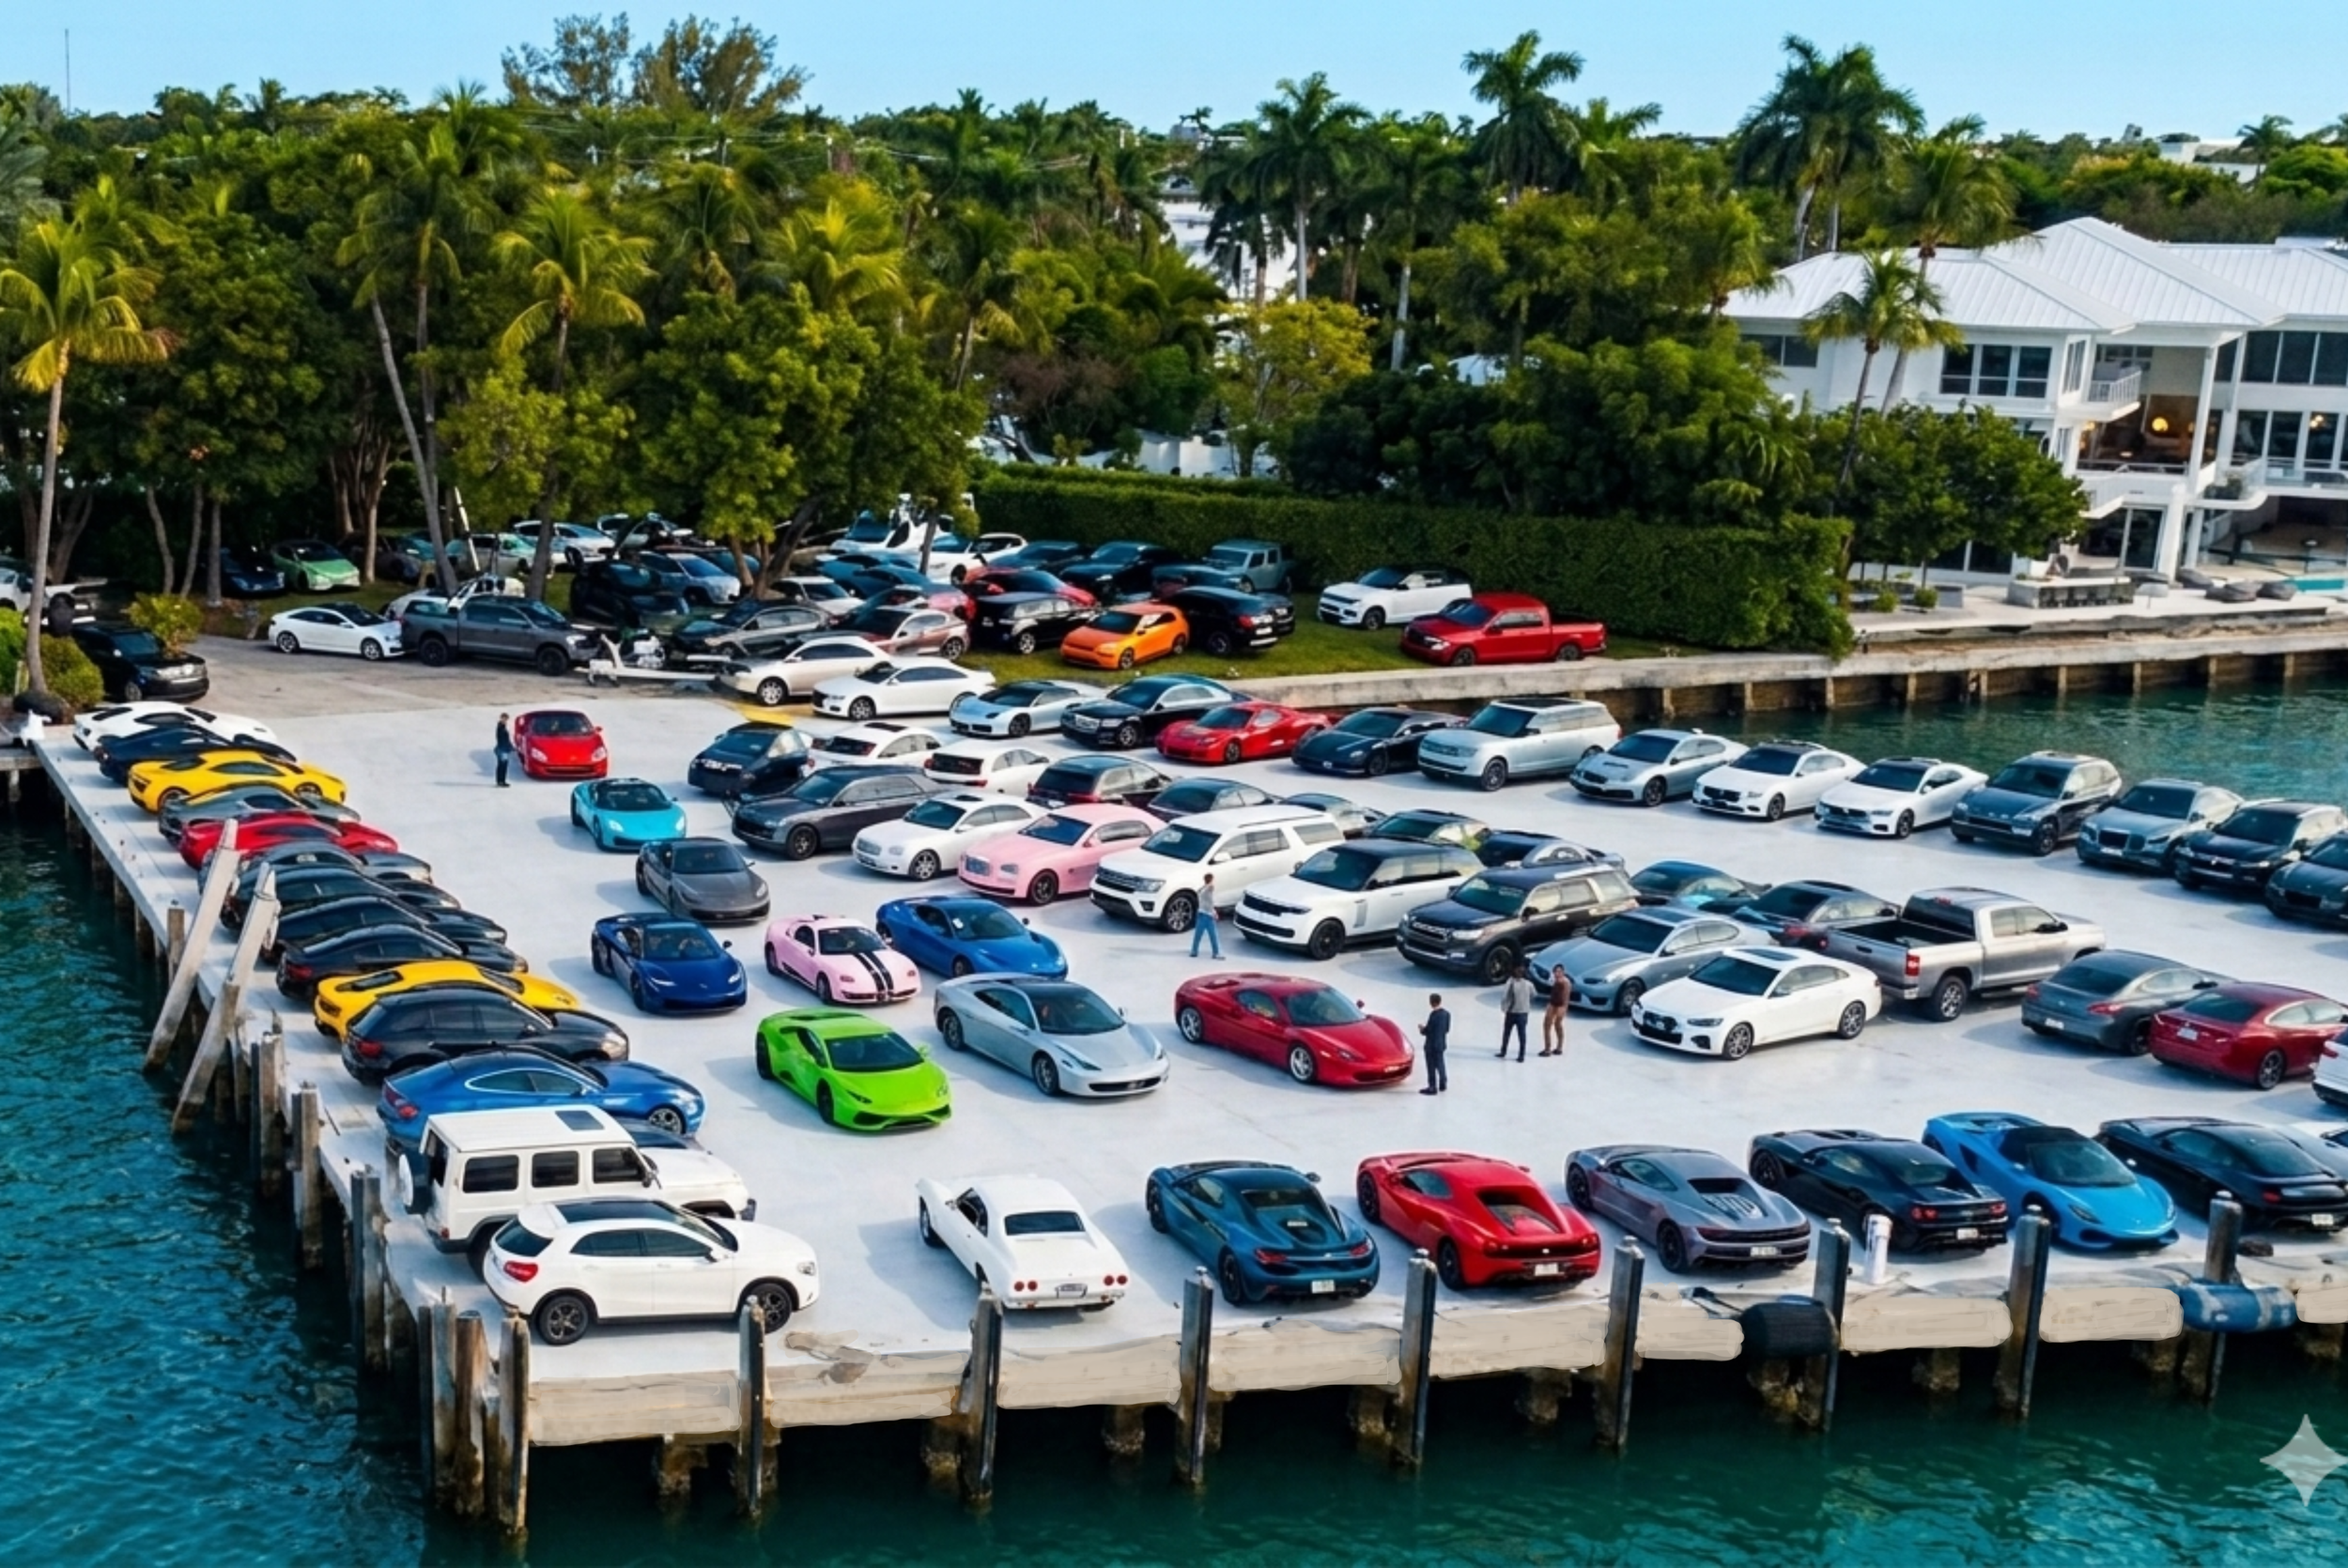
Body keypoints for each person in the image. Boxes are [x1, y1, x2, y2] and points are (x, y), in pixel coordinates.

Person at [1497, 963, 1534, 1061]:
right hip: (1523, 1012)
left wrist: (1504, 1007)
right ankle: (1521, 1055)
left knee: (1507, 1033)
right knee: (1522, 1035)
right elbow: (1534, 994)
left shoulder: (1510, 982)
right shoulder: (1529, 984)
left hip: (1512, 1011)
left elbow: (1505, 995)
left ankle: (1503, 1051)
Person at [1418, 994, 1450, 1095]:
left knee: (1431, 1066)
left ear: (1432, 1002)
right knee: (1440, 1064)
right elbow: (1447, 1029)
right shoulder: (1447, 1014)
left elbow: (1429, 1031)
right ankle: (1443, 1083)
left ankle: (1432, 1087)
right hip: (1441, 1043)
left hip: (1431, 1045)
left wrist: (1422, 1029)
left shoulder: (1433, 1015)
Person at [1188, 873, 1222, 959]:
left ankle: (1194, 951)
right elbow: (1210, 904)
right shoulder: (1208, 889)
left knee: (1198, 935)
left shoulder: (1202, 890)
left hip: (1202, 914)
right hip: (1208, 916)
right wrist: (1214, 913)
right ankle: (1216, 953)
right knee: (1213, 936)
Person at [1540, 965, 1569, 1056]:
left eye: (1559, 971)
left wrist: (1563, 1007)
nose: (1557, 973)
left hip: (1559, 1006)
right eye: (1556, 971)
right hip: (1554, 1004)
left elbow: (1565, 997)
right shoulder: (1556, 981)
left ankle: (1555, 1048)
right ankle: (1551, 1048)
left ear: (1563, 972)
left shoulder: (1564, 982)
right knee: (1549, 1025)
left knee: (1555, 1025)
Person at [493, 714, 514, 788]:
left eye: (506, 719)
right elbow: (502, 739)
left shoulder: (503, 727)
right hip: (502, 749)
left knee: (503, 765)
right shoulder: (500, 727)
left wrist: (510, 746)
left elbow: (507, 739)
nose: (505, 721)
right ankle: (500, 781)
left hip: (504, 748)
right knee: (502, 765)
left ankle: (501, 780)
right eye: (504, 719)